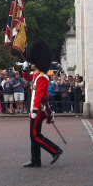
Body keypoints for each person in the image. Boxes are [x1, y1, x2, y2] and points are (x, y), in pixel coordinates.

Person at [23, 40, 63, 168]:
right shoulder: (36, 75)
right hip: (34, 110)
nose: (32, 64)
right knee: (33, 135)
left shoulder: (43, 78)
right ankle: (35, 160)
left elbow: (39, 95)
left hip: (38, 110)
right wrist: (24, 69)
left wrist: (34, 110)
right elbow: (26, 78)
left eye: (33, 62)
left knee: (35, 135)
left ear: (38, 63)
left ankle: (55, 150)